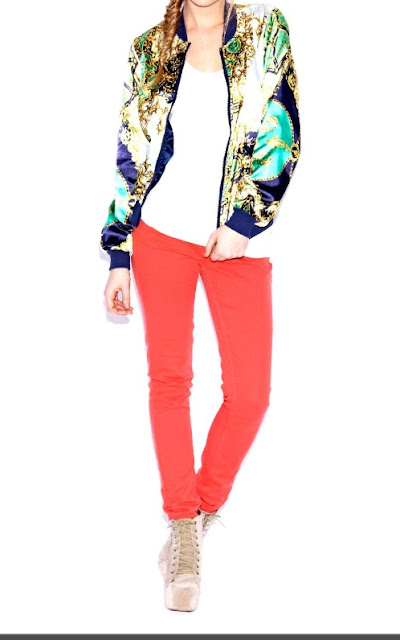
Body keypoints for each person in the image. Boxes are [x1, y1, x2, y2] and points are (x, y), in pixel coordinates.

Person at [100, 0, 300, 612]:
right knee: (170, 381)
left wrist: (243, 224)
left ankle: (202, 506)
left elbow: (284, 132)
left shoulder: (265, 32)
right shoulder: (150, 47)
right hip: (161, 235)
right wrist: (119, 251)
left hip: (235, 243)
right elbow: (132, 150)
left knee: (251, 395)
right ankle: (183, 528)